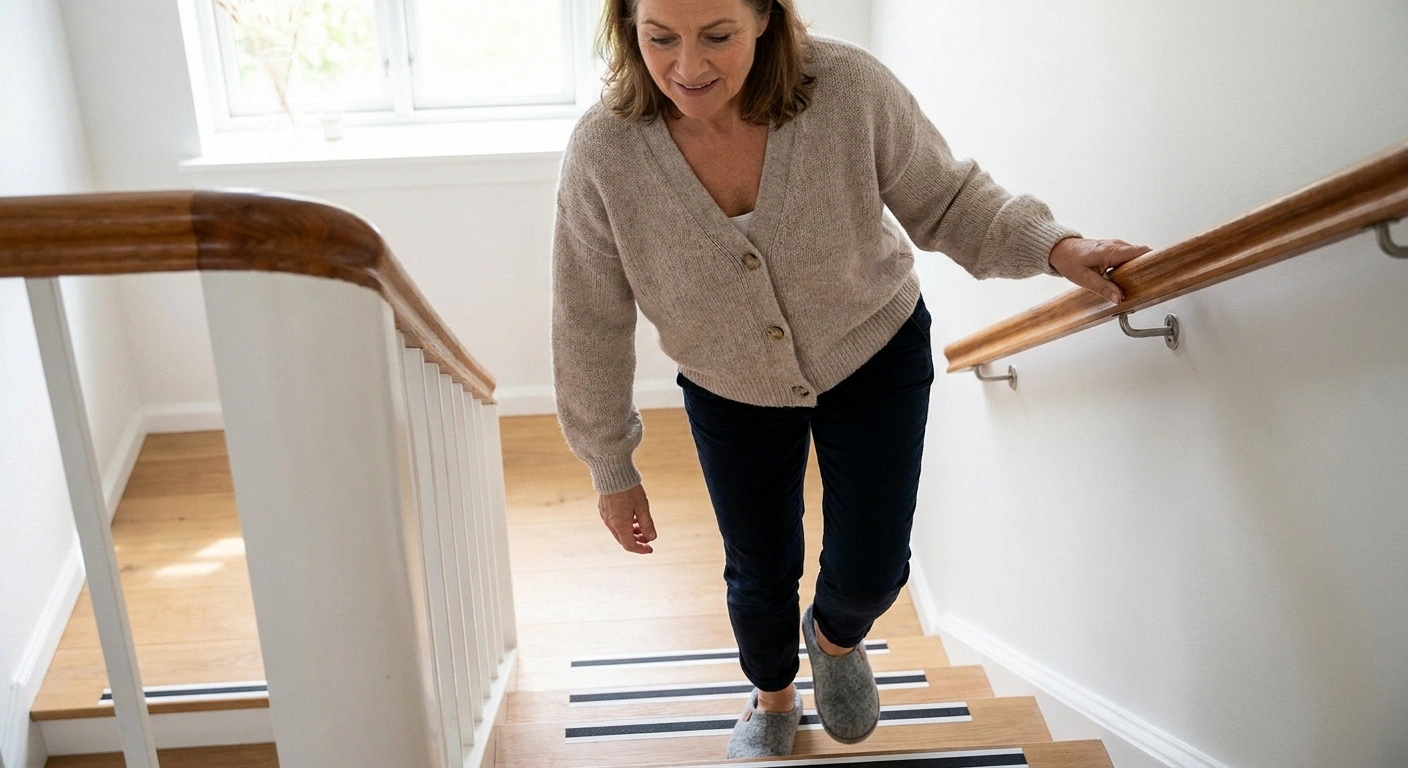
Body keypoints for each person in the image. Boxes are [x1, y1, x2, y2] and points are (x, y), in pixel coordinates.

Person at [551, 0, 1149, 758]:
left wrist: (1055, 246)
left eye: (717, 36)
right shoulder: (604, 149)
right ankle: (771, 696)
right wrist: (610, 463)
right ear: (627, 26)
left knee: (873, 570)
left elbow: (948, 198)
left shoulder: (846, 87)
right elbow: (586, 314)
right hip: (730, 384)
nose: (688, 67)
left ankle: (835, 641)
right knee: (759, 570)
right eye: (660, 38)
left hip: (875, 349)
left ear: (764, 15)